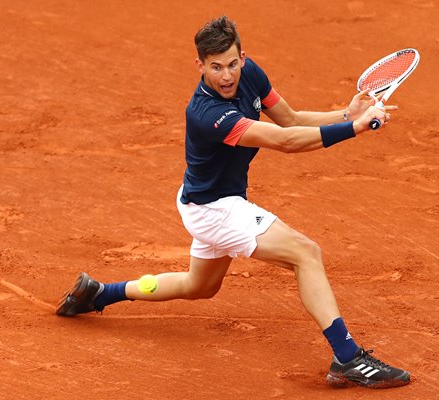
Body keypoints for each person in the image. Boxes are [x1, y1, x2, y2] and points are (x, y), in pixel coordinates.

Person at [56, 15, 410, 389]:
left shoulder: (250, 73)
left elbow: (289, 120)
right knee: (306, 253)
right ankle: (348, 357)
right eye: (215, 67)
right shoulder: (206, 113)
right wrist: (357, 128)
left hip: (202, 201)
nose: (226, 75)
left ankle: (99, 294)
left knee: (199, 286)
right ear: (200, 66)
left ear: (243, 56)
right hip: (216, 209)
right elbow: (285, 142)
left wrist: (345, 114)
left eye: (232, 63)